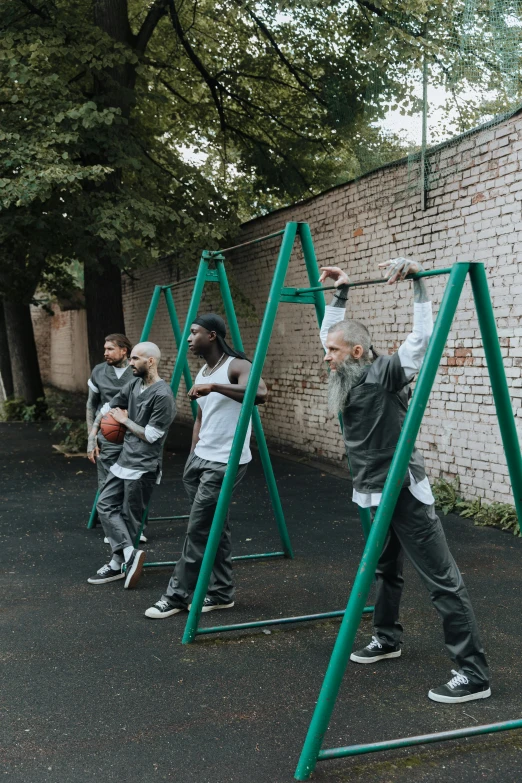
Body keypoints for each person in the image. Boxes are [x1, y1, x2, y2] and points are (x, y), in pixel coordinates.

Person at [319, 257, 490, 704]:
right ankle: (387, 638)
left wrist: (418, 286)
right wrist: (342, 291)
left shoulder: (384, 373)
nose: (326, 356)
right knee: (384, 571)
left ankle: (473, 673)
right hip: (370, 490)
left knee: (442, 580)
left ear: (356, 352)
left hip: (403, 491)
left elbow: (421, 340)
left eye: (333, 351)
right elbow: (329, 332)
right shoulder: (345, 373)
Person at [144, 313, 267, 619]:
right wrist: (192, 454)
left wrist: (215, 387)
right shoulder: (202, 373)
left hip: (225, 461)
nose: (189, 338)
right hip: (200, 460)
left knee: (198, 530)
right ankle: (222, 592)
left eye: (194, 332)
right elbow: (201, 417)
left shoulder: (237, 365)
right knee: (214, 526)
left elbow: (260, 394)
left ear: (212, 335)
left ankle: (176, 596)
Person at [87, 341, 176, 589]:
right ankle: (128, 553)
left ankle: (118, 564)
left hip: (144, 465)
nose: (131, 363)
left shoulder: (163, 395)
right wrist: (93, 435)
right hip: (124, 459)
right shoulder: (134, 384)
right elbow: (107, 407)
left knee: (131, 516)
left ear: (151, 361)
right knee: (104, 504)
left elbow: (152, 436)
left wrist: (124, 422)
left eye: (136, 359)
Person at [86, 333, 147, 544]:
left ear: (124, 350)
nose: (105, 353)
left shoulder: (137, 371)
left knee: (134, 483)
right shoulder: (99, 372)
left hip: (133, 433)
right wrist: (90, 438)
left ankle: (134, 526)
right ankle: (113, 529)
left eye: (110, 349)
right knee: (108, 483)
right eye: (104, 349)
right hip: (108, 434)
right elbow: (90, 404)